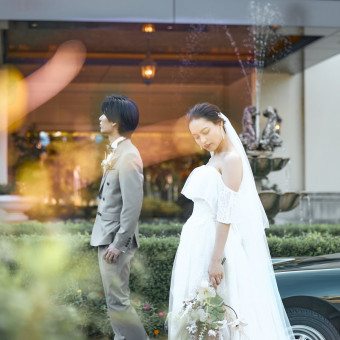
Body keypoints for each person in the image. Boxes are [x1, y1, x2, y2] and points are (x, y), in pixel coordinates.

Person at [168, 103, 294, 339]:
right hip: (197, 241)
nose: (202, 140)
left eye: (206, 132)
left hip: (215, 244)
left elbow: (226, 213)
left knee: (219, 309)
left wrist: (216, 259)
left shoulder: (232, 159)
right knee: (197, 310)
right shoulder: (214, 157)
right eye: (196, 136)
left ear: (220, 124)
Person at [90, 94, 149, 340]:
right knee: (115, 303)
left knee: (118, 303)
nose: (100, 118)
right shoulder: (119, 151)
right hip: (107, 237)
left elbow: (133, 206)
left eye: (105, 114)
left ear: (115, 122)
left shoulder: (129, 155)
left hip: (115, 241)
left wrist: (118, 243)